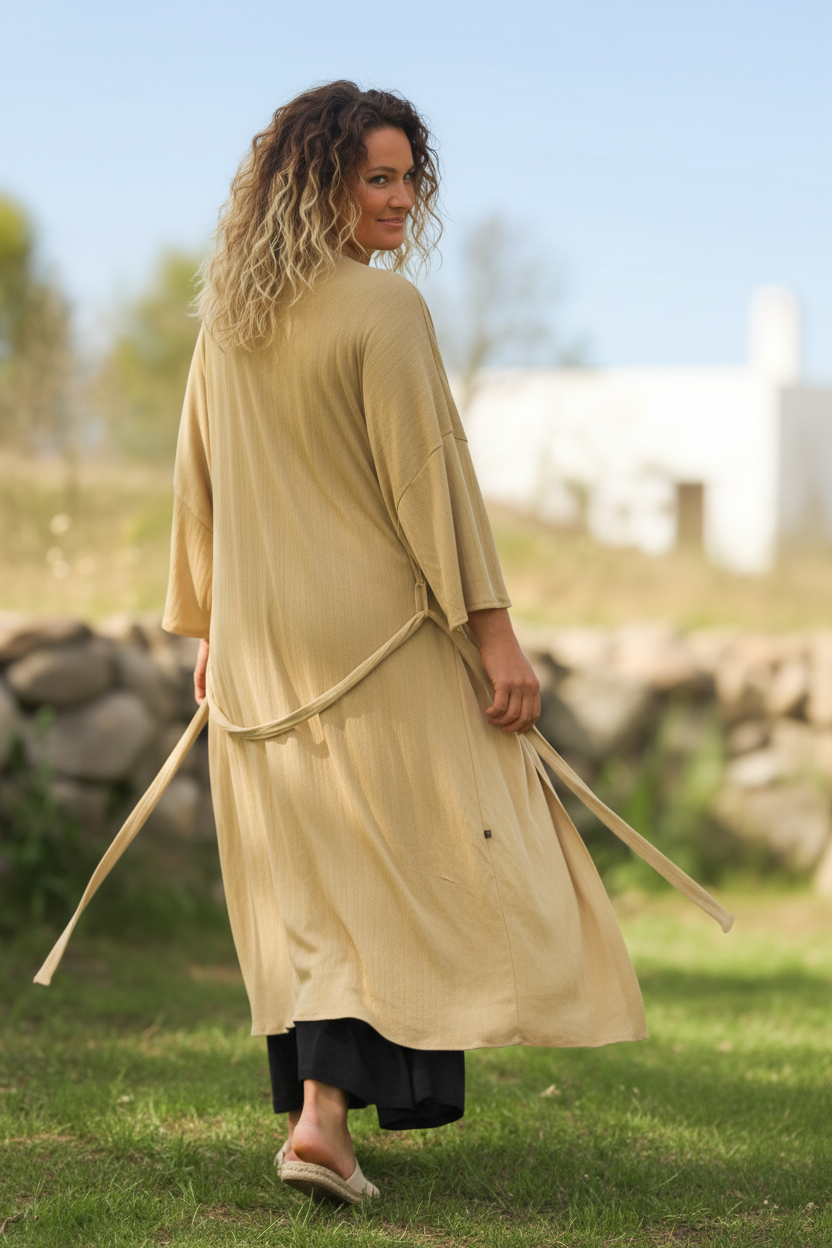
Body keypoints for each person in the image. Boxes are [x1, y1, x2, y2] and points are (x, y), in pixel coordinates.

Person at [36, 79, 729, 1207]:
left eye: (410, 177)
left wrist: (212, 628)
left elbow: (194, 492)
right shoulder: (384, 310)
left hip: (266, 648)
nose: (404, 199)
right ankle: (322, 1120)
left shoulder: (229, 317)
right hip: (379, 641)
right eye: (381, 177)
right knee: (401, 876)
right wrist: (496, 640)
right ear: (322, 183)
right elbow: (432, 487)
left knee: (316, 882)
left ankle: (323, 1121)